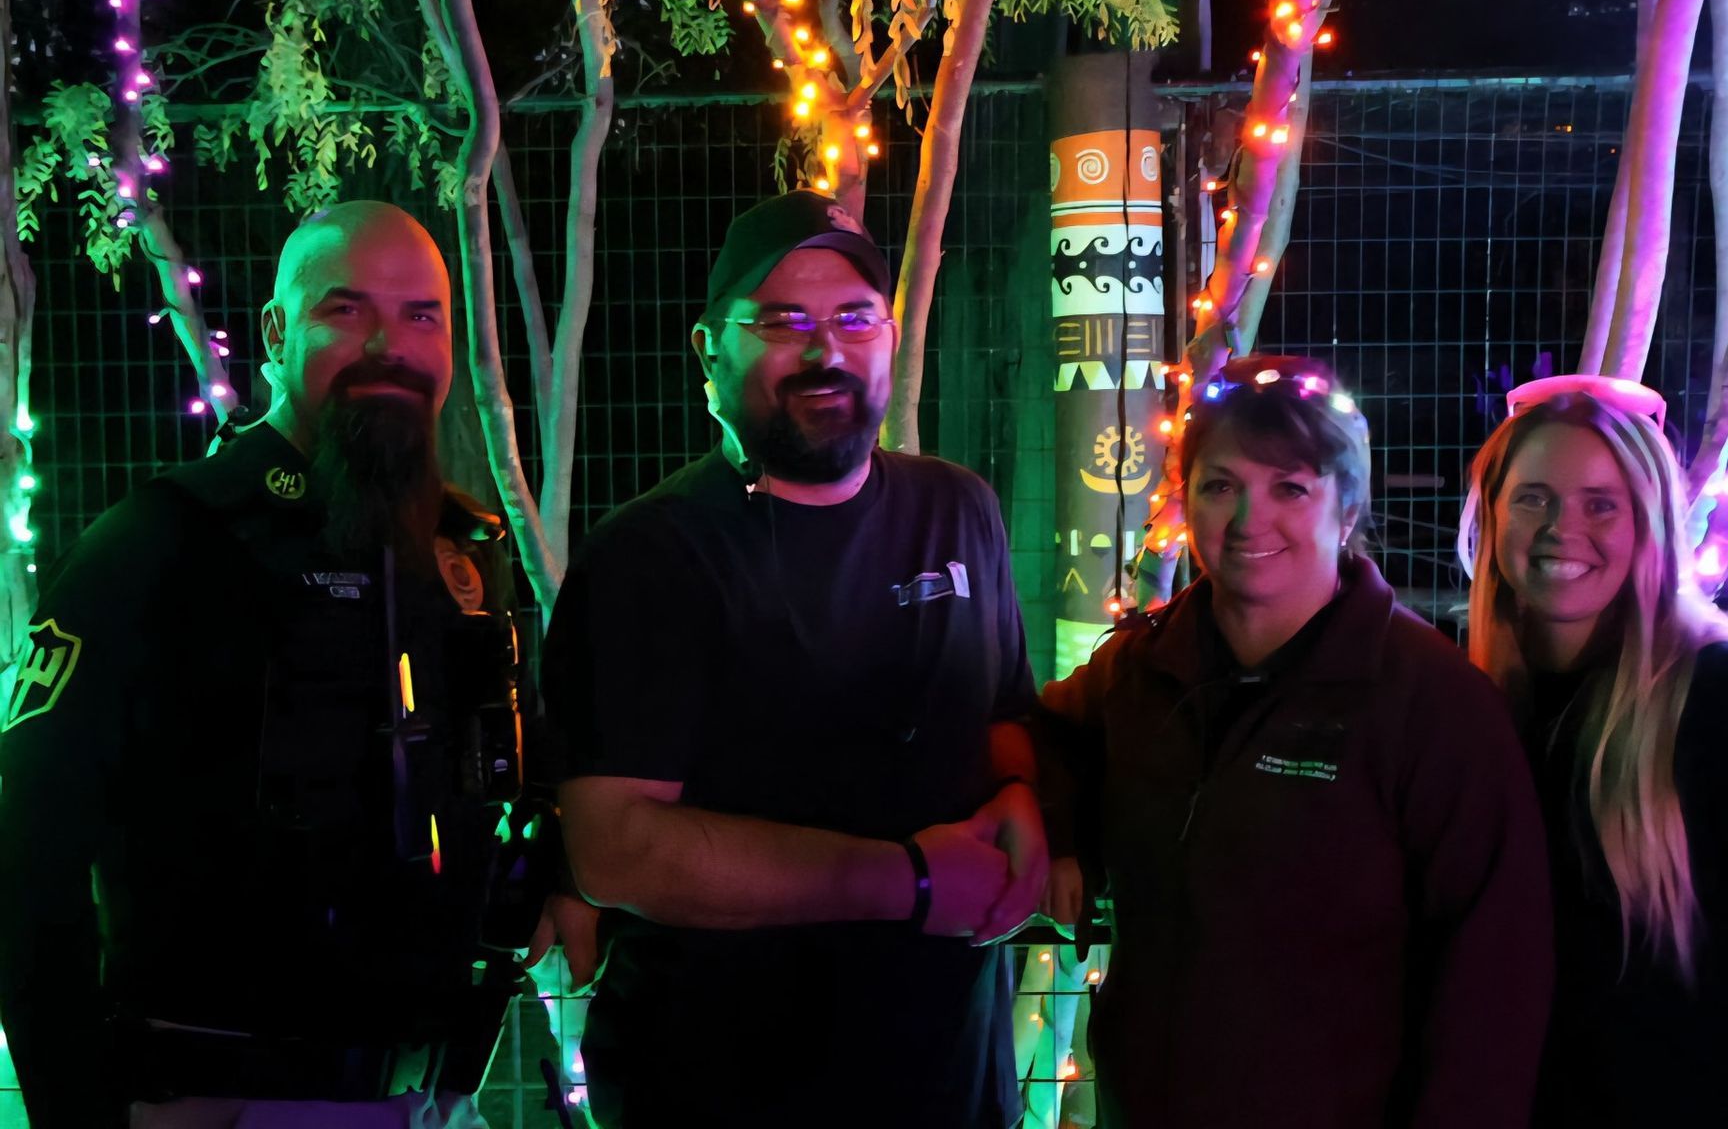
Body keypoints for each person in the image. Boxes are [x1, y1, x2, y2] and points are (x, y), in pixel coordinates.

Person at [0, 201, 590, 1127]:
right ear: (276, 334)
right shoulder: (164, 543)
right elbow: (29, 859)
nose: (390, 346)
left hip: (433, 1099)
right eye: (346, 310)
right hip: (215, 1098)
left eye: (422, 315)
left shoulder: (462, 549)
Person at [543, 188, 1045, 1127]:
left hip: (953, 1077)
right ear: (711, 349)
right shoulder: (649, 556)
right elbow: (616, 850)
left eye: (855, 318)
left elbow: (1003, 710)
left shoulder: (959, 509)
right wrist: (910, 881)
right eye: (783, 323)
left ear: (889, 335)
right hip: (716, 1086)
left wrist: (1020, 795)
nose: (826, 352)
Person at [1033, 355, 1554, 1128]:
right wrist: (1060, 831)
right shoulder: (1141, 669)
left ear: (1347, 509)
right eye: (1221, 486)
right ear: (1186, 498)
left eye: (1290, 488)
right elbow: (1044, 736)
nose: (1249, 519)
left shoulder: (1435, 706)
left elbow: (1495, 983)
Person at [1456, 376, 1728, 1128]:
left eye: (1601, 503)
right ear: (1492, 515)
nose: (1562, 527)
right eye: (1533, 498)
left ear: (1651, 522)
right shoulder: (1476, 706)